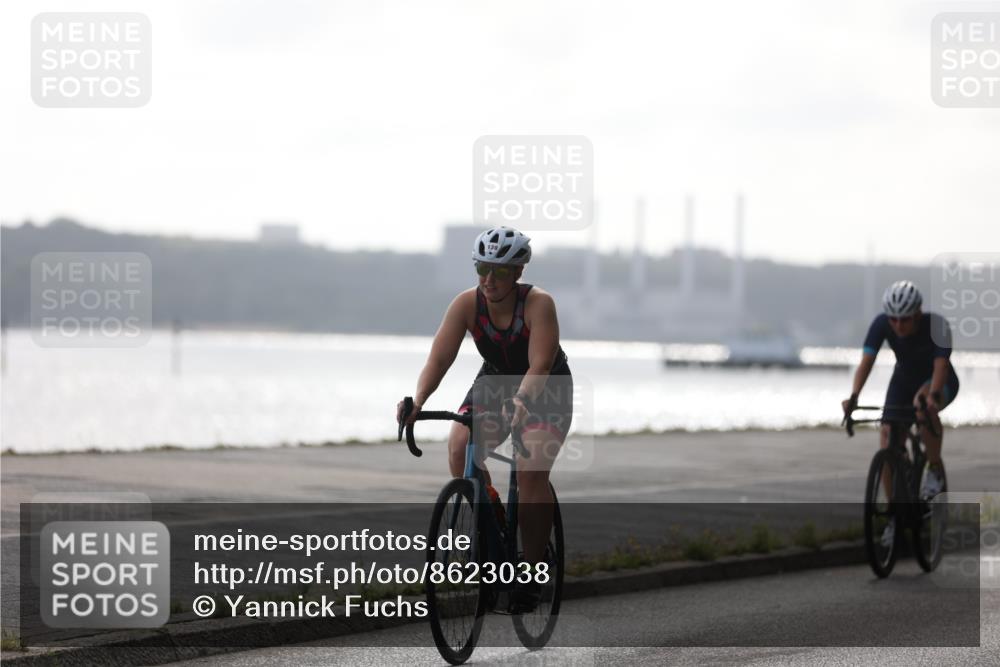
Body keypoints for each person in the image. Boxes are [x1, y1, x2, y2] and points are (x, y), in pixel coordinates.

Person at [397, 226, 573, 611]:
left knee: (530, 472)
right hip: (495, 381)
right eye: (482, 268)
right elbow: (439, 359)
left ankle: (532, 566)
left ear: (518, 273)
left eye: (501, 271)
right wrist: (419, 400)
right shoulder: (466, 304)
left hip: (546, 388)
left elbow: (540, 363)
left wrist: (523, 400)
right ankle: (490, 527)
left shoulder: (538, 304)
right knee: (460, 445)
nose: (489, 280)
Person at [842, 280, 959, 544]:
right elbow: (866, 362)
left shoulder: (936, 326)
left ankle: (934, 468)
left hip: (939, 380)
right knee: (887, 436)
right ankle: (895, 515)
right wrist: (854, 397)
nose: (898, 325)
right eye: (893, 319)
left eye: (904, 320)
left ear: (918, 313)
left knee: (922, 406)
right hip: (904, 379)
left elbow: (941, 366)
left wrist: (932, 397)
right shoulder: (882, 324)